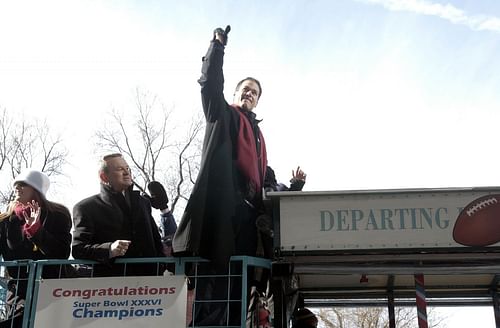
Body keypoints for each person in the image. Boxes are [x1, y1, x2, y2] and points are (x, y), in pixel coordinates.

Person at [172, 25, 268, 326]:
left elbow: (265, 178)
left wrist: (294, 186)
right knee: (215, 281)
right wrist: (217, 48)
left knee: (239, 285)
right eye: (246, 89)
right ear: (236, 93)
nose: (250, 93)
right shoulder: (222, 115)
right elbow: (209, 83)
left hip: (248, 218)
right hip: (222, 211)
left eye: (255, 92)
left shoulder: (258, 136)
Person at [72, 153, 165, 276]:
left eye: (127, 168)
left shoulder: (143, 203)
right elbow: (79, 250)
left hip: (151, 286)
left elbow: (156, 240)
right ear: (104, 177)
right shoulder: (86, 207)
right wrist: (109, 249)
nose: (126, 173)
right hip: (111, 287)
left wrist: (163, 265)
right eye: (119, 169)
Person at [0, 169, 73, 328]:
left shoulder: (58, 214)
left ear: (37, 189)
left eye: (23, 184)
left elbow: (62, 253)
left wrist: (36, 232)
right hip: (20, 290)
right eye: (16, 185)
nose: (17, 188)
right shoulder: (5, 220)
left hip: (54, 289)